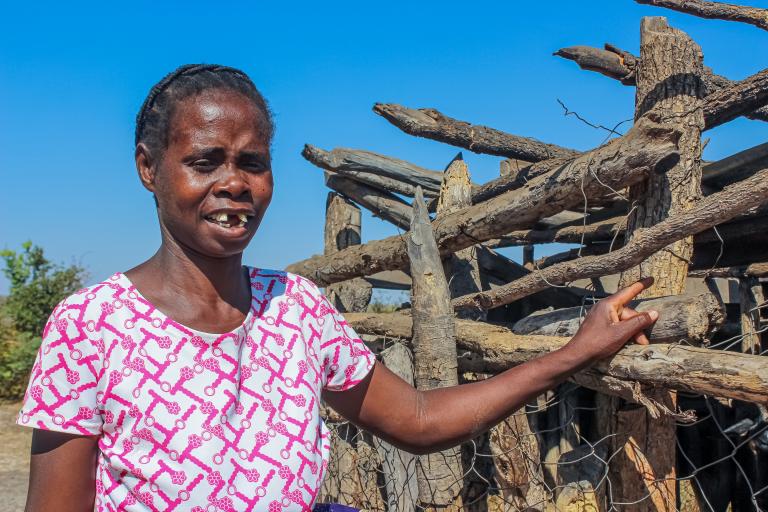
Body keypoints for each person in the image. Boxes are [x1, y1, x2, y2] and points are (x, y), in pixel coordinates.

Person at [17, 64, 659, 512]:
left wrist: (572, 354)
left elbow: (419, 419)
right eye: (204, 160)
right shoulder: (91, 327)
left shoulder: (295, 309)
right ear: (148, 168)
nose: (234, 183)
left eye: (252, 163)